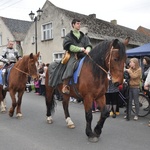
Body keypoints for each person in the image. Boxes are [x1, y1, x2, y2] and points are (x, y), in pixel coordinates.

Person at [61, 18, 92, 94]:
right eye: (77, 23)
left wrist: (88, 49)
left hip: (84, 55)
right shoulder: (69, 36)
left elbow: (89, 45)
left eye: (80, 23)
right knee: (71, 66)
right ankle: (65, 85)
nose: (79, 25)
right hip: (73, 55)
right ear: (73, 25)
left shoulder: (84, 36)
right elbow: (69, 46)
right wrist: (80, 49)